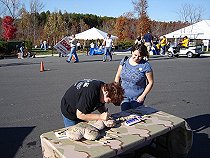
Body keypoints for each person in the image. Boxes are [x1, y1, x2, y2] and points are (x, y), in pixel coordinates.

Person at [114, 43, 154, 111]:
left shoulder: (145, 65)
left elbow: (150, 82)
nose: (137, 58)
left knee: (136, 116)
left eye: (140, 56)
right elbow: (117, 76)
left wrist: (142, 96)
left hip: (137, 97)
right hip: (124, 96)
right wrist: (116, 90)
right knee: (125, 114)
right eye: (135, 55)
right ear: (132, 52)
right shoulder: (124, 61)